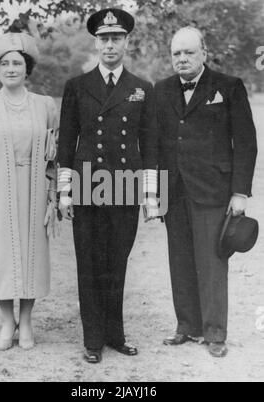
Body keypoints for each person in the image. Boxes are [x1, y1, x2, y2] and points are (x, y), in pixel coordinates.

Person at [57, 8, 158, 363]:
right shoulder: (77, 86)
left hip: (125, 187)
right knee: (89, 263)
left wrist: (149, 195)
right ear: (96, 43)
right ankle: (93, 340)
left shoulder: (142, 89)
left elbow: (150, 145)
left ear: (126, 42)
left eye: (117, 38)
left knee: (117, 263)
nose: (110, 45)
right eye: (104, 39)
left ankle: (115, 335)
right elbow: (66, 143)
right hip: (87, 187)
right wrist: (64, 192)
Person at [155, 27, 257, 358]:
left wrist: (240, 192)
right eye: (176, 54)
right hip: (174, 191)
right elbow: (155, 144)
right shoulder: (162, 90)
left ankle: (215, 333)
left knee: (212, 263)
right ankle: (187, 326)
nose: (181, 59)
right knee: (180, 260)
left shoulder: (228, 87)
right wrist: (154, 194)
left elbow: (245, 142)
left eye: (188, 52)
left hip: (213, 190)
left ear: (204, 53)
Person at [0, 32, 58, 351]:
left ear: (27, 68)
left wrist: (54, 193)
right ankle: (7, 322)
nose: (11, 68)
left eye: (17, 62)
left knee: (33, 255)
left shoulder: (44, 105)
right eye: (4, 63)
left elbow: (53, 153)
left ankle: (27, 321)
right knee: (1, 258)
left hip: (35, 190)